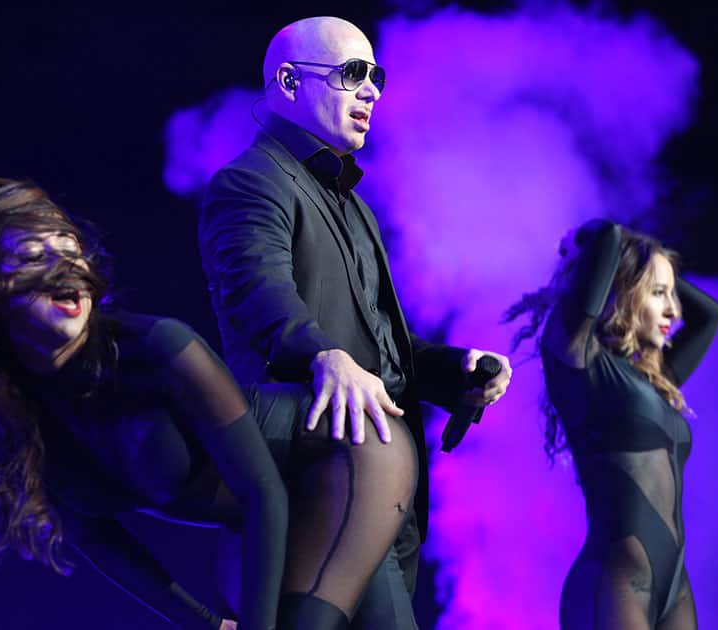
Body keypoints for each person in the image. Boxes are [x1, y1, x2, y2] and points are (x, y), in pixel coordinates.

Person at [0, 166, 416, 630]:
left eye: (70, 247)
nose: (65, 263)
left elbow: (262, 490)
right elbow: (103, 543)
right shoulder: (25, 423)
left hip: (350, 453)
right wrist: (207, 624)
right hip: (268, 516)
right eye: (36, 256)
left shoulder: (157, 347)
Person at [199, 17, 513, 628]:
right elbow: (258, 294)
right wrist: (322, 355)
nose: (371, 91)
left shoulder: (357, 210)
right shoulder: (251, 181)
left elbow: (383, 349)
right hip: (320, 466)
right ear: (289, 83)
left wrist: (456, 370)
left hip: (381, 479)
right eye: (352, 74)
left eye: (377, 76)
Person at [505, 220, 718, 628]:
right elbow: (607, 235)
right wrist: (631, 254)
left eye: (672, 296)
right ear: (623, 292)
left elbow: (711, 315)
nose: (674, 311)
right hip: (615, 582)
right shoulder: (579, 357)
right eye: (660, 295)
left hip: (674, 588)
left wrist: (658, 271)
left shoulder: (656, 382)